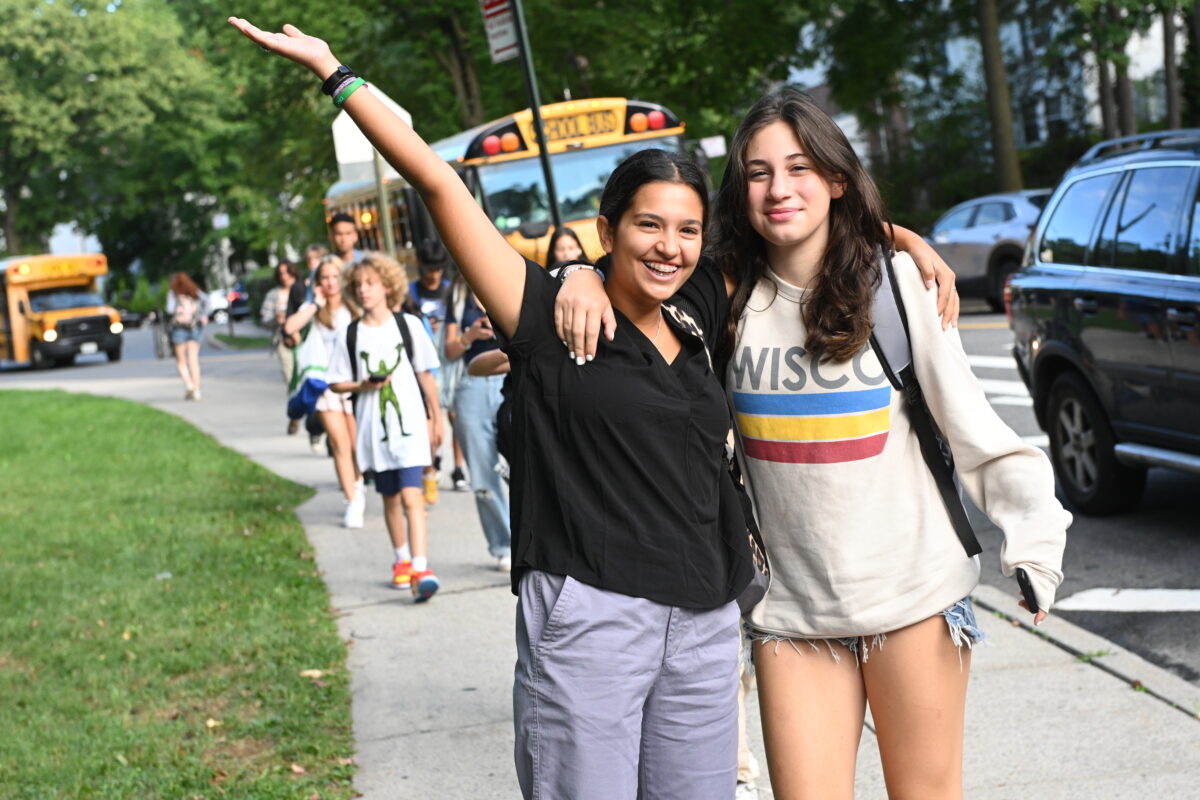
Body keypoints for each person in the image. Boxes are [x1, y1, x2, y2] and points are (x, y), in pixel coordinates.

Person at [228, 18, 756, 797]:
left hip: (706, 626)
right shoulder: (541, 315)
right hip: (592, 620)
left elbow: (802, 228)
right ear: (606, 229)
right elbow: (438, 181)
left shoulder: (697, 305)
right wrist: (333, 72)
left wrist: (904, 241)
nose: (669, 247)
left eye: (687, 230)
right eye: (648, 225)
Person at [558, 88, 1070, 800]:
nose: (778, 189)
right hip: (792, 617)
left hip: (915, 601)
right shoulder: (724, 299)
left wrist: (1035, 544)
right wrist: (577, 272)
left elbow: (975, 430)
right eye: (759, 172)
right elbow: (636, 272)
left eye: (799, 168)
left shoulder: (894, 286)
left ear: (834, 177)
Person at [323, 252, 444, 598]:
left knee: (412, 495)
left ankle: (421, 567)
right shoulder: (350, 335)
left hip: (409, 428)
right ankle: (401, 559)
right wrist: (363, 385)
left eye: (371, 284)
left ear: (387, 285)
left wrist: (435, 418)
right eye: (358, 285)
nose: (364, 290)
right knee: (390, 498)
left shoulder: (407, 325)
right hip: (373, 431)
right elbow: (335, 382)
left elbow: (426, 375)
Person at [284, 255, 365, 528]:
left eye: (335, 277)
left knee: (356, 444)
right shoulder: (314, 311)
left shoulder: (355, 308)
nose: (331, 283)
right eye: (325, 278)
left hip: (355, 384)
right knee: (339, 444)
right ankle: (351, 500)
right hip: (324, 385)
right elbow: (290, 327)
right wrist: (315, 303)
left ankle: (359, 485)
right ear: (318, 283)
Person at [443, 290, 511, 571]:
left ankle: (539, 540)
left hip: (513, 377)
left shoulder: (513, 278)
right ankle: (505, 544)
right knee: (482, 474)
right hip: (472, 385)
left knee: (529, 468)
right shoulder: (458, 297)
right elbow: (449, 351)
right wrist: (469, 336)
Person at [166, 272, 207, 401]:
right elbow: (207, 300)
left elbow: (169, 309)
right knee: (194, 361)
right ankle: (197, 391)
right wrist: (202, 315)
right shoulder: (194, 292)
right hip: (194, 327)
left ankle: (188, 384)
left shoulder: (173, 294)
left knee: (181, 361)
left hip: (179, 329)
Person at [262, 260, 299, 383]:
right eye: (280, 273)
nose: (284, 276)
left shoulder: (303, 289)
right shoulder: (274, 294)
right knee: (291, 380)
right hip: (284, 341)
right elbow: (265, 319)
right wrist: (276, 320)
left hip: (305, 339)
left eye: (287, 272)